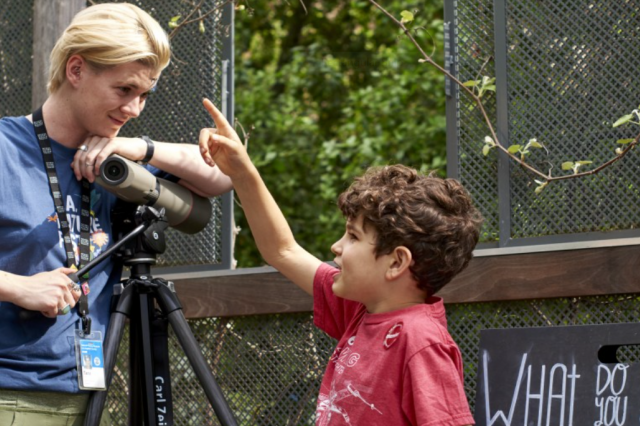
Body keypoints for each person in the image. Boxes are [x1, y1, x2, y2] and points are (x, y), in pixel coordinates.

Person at [0, 3, 232, 425]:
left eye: (145, 95)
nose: (135, 108)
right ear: (76, 70)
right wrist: (16, 286)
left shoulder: (118, 161)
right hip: (13, 397)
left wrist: (139, 148)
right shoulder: (4, 149)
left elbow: (222, 177)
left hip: (90, 398)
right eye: (124, 90)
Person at [199, 98, 482, 425]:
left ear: (396, 263)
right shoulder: (363, 311)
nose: (336, 247)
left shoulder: (421, 341)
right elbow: (282, 251)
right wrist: (241, 171)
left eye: (353, 236)